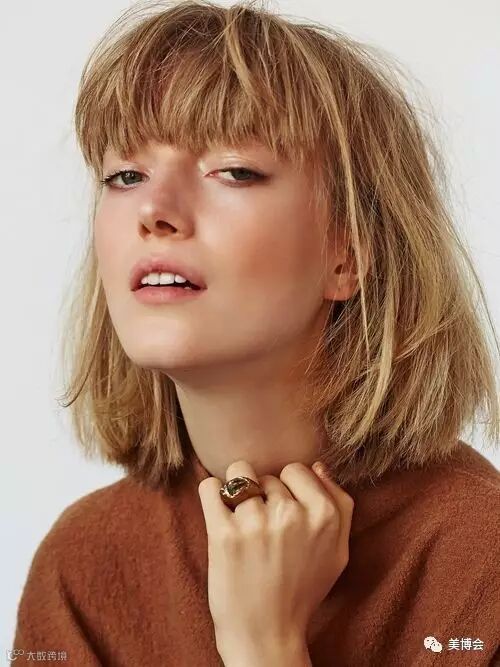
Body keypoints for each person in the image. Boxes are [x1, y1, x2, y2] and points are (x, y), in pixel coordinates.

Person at [11, 0, 500, 665]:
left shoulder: (481, 557)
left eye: (234, 170)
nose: (153, 210)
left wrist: (264, 646)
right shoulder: (84, 563)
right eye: (125, 175)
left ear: (348, 252)